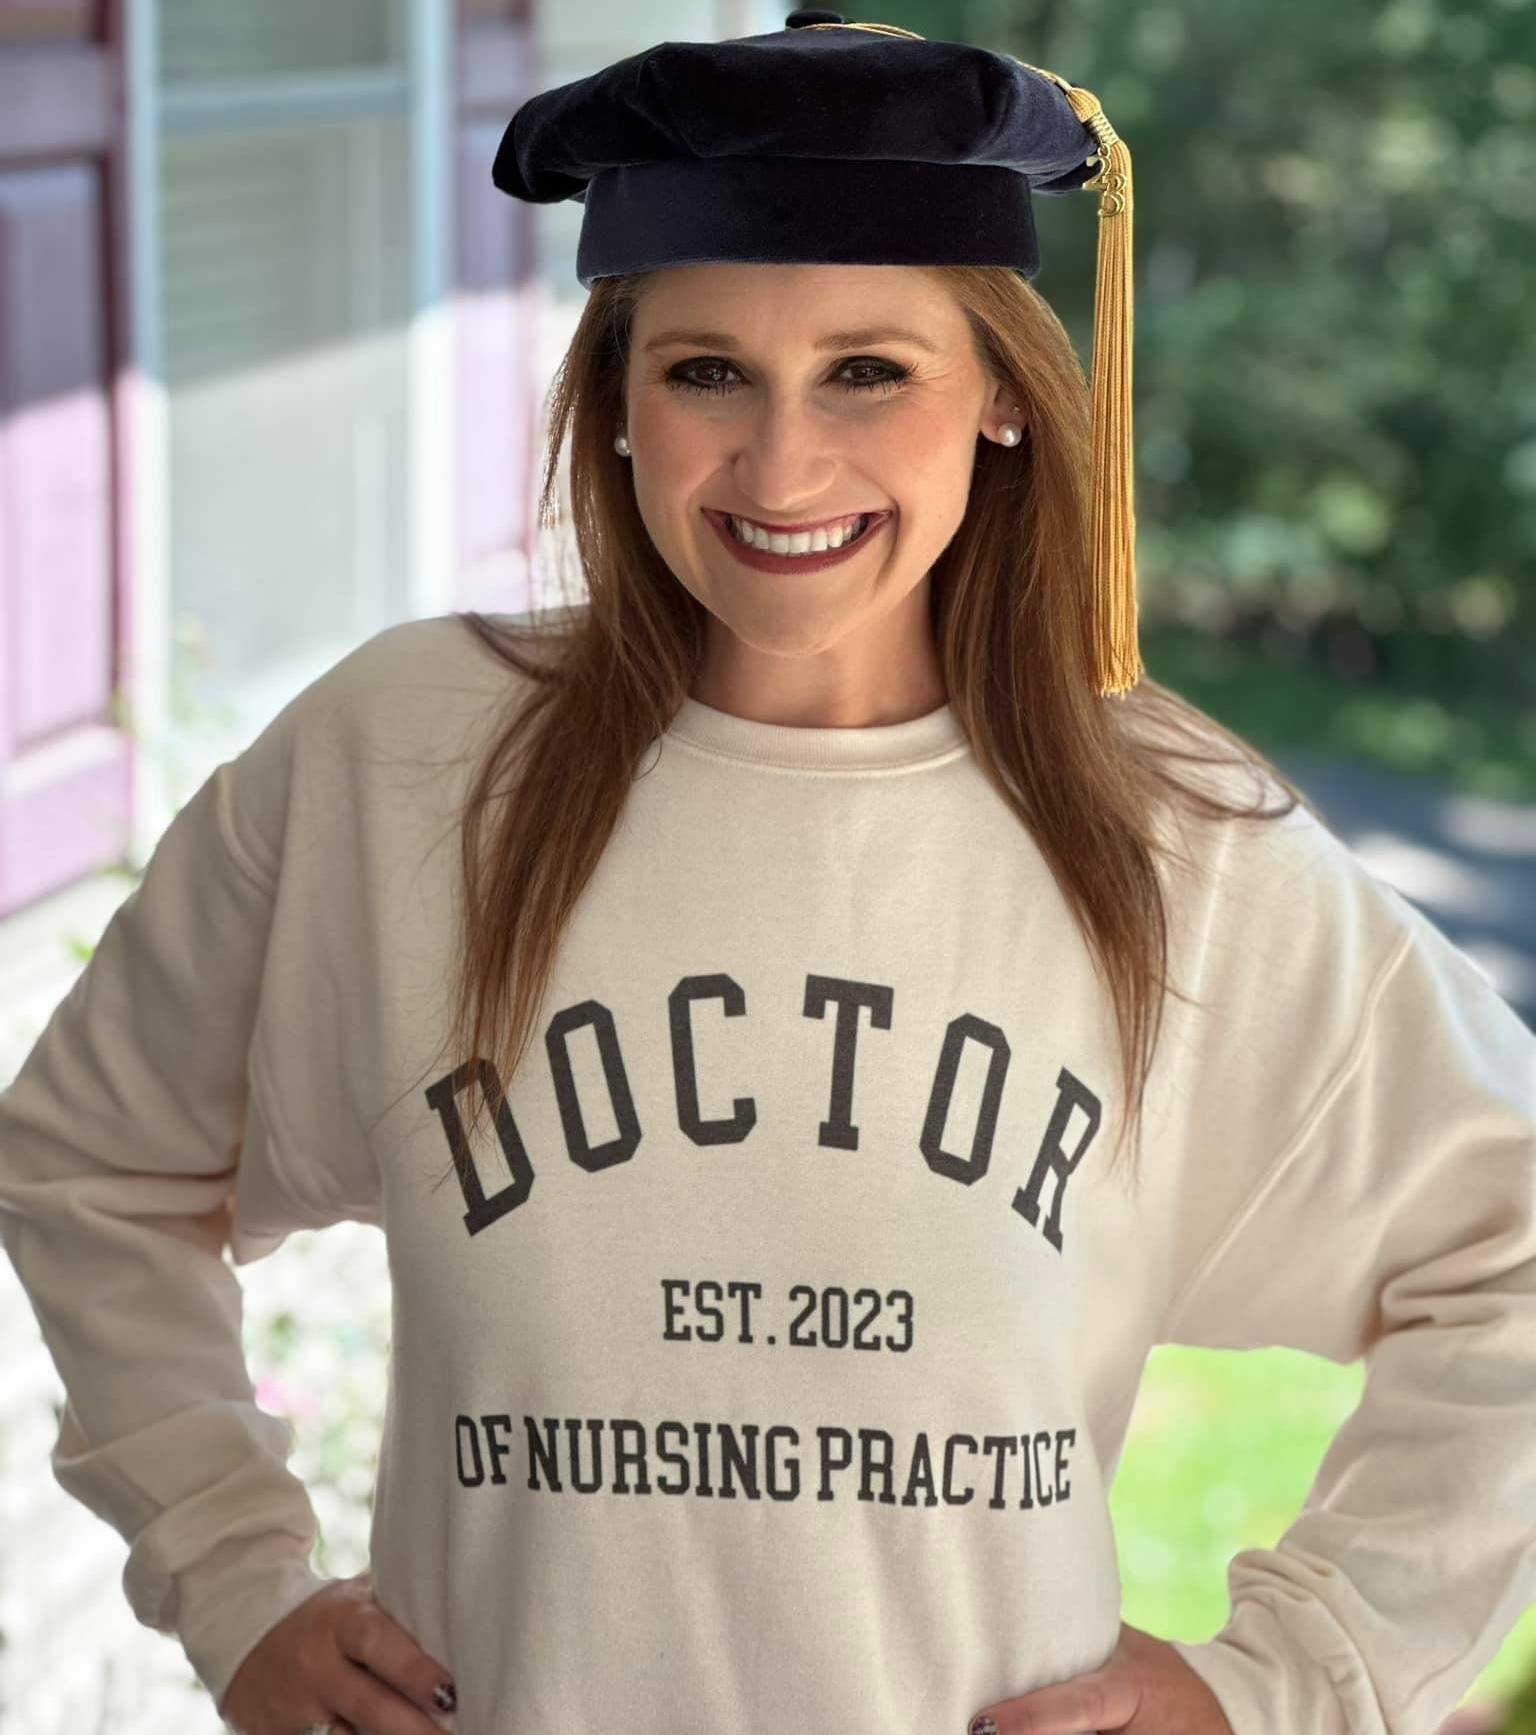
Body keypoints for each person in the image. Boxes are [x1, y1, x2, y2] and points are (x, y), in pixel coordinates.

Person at [2, 12, 1533, 1735]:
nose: (783, 465)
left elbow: (1515, 1242)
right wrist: (233, 1579)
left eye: (869, 371)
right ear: (619, 401)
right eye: (705, 371)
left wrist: (1290, 1681)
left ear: (1005, 396)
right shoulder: (405, 766)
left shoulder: (1168, 841)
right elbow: (89, 1163)